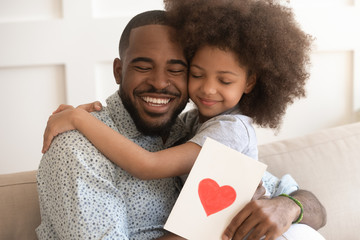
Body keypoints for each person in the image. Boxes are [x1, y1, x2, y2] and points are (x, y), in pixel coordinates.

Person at [38, 2, 326, 240]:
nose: (160, 82)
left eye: (177, 70)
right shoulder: (77, 148)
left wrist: (288, 207)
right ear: (118, 70)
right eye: (143, 66)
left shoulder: (197, 129)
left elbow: (314, 209)